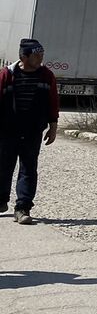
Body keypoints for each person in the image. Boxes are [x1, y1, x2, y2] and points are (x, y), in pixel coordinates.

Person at [0, 38, 59, 224]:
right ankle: (1, 202)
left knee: (28, 168)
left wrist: (53, 127)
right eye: (36, 54)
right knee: (3, 167)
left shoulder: (47, 76)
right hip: (7, 131)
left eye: (42, 54)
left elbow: (53, 102)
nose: (40, 57)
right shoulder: (6, 75)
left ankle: (22, 207)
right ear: (24, 57)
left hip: (33, 131)